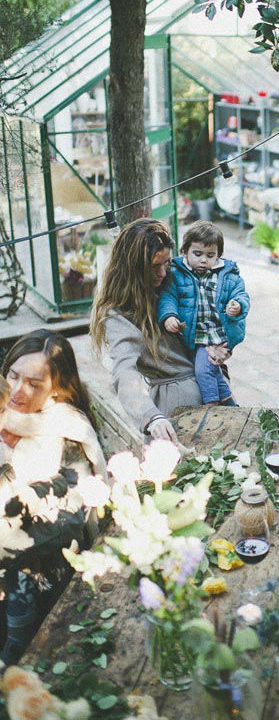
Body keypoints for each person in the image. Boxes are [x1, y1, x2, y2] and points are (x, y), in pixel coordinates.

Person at [0, 330, 107, 665]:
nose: (18, 390)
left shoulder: (66, 432)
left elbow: (67, 520)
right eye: (13, 376)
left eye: (33, 384)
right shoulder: (9, 418)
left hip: (40, 569)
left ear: (57, 389)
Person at [90, 218, 207, 442]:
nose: (162, 273)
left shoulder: (173, 281)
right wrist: (151, 417)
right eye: (154, 267)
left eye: (166, 263)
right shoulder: (119, 313)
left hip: (209, 387)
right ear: (133, 268)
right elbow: (124, 371)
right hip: (174, 408)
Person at [157, 221, 249, 407]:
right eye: (197, 254)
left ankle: (211, 405)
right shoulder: (177, 273)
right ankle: (229, 404)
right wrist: (169, 316)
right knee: (214, 371)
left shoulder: (227, 275)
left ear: (218, 255)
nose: (203, 260)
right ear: (185, 251)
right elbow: (168, 297)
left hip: (216, 335)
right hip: (195, 334)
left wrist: (238, 305)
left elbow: (240, 294)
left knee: (203, 370)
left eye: (210, 255)